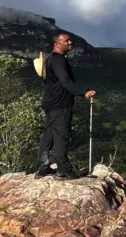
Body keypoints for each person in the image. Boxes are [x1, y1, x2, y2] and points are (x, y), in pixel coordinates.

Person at [34, 32, 96, 179]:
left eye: (70, 40)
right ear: (57, 44)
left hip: (50, 103)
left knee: (48, 134)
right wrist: (84, 92)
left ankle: (42, 166)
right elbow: (66, 81)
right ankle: (65, 170)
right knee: (62, 135)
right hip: (60, 105)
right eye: (66, 41)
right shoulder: (58, 60)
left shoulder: (51, 59)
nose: (70, 43)